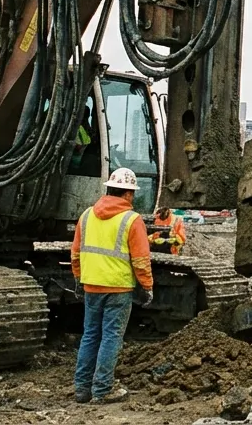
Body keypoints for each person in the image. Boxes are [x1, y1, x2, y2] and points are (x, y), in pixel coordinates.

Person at [71, 168, 154, 403]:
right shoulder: (131, 219)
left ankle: (81, 389)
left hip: (91, 286)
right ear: (128, 194)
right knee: (111, 337)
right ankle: (102, 390)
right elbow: (140, 260)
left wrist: (79, 279)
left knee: (90, 335)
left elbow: (75, 254)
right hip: (118, 288)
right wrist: (146, 286)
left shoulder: (86, 215)